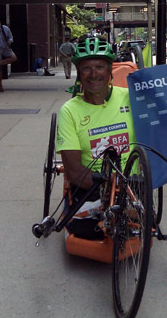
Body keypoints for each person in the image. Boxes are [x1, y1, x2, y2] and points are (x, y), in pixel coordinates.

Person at [56, 38, 136, 239]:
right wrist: (109, 184)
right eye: (86, 68)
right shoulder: (70, 111)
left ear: (110, 70)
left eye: (100, 67)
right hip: (91, 185)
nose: (94, 74)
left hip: (132, 184)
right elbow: (73, 171)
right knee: (83, 231)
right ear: (79, 73)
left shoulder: (131, 97)